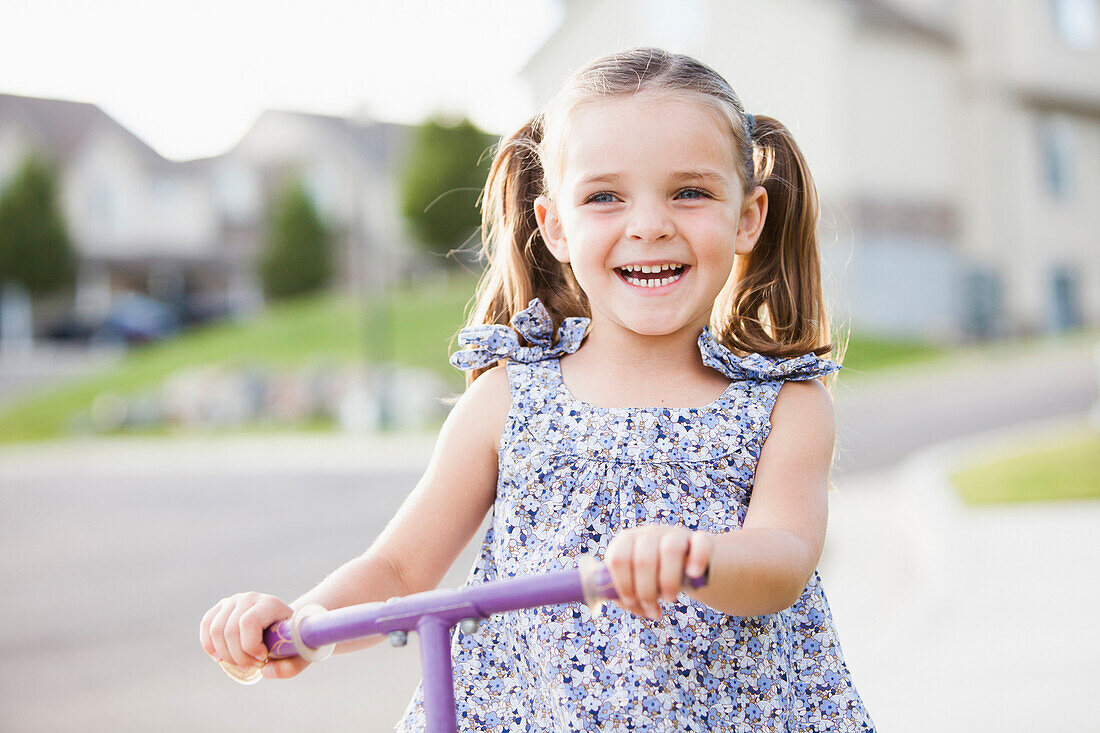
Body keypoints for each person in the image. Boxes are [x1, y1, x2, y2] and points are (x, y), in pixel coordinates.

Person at [200, 47, 877, 731]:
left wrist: (697, 556)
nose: (648, 224)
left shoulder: (784, 405)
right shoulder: (508, 398)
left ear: (748, 217)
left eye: (690, 192)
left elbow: (782, 561)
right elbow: (400, 570)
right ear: (554, 225)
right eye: (604, 196)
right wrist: (305, 621)